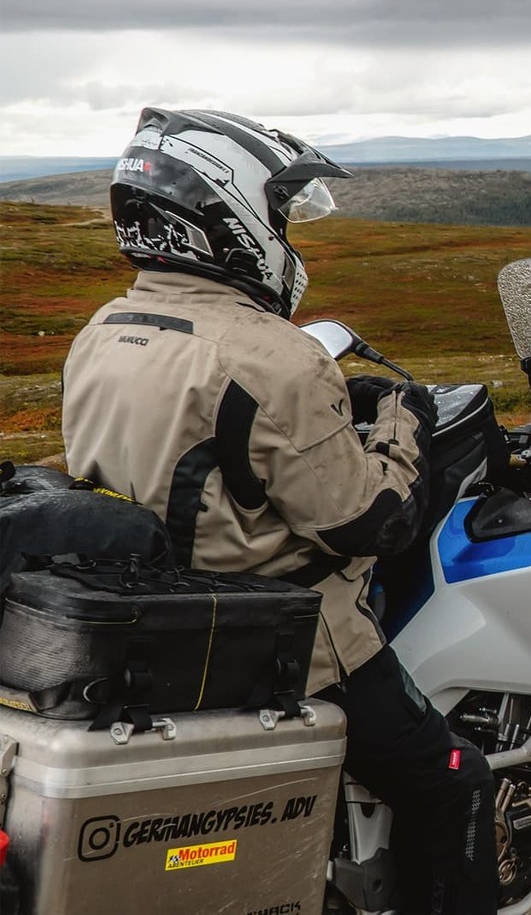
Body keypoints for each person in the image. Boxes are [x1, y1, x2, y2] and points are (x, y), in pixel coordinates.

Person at [61, 106, 497, 914]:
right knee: (455, 784)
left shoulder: (104, 329)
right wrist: (405, 417)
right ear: (229, 218)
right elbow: (372, 521)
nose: (289, 232)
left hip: (140, 623)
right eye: (282, 212)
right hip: (277, 634)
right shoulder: (271, 355)